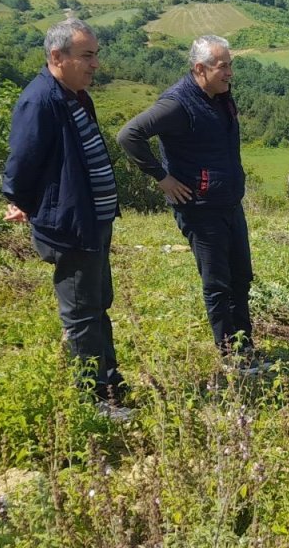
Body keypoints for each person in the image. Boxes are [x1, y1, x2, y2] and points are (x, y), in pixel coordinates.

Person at [2, 18, 131, 419]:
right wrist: (26, 202)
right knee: (81, 314)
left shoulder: (74, 95)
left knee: (98, 305)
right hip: (71, 227)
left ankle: (111, 386)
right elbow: (20, 166)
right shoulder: (39, 101)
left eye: (96, 55)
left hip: (92, 223)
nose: (95, 64)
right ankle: (95, 400)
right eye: (87, 56)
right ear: (57, 57)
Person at [117, 35, 263, 371]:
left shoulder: (219, 97)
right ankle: (231, 356)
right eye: (222, 65)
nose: (230, 72)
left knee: (241, 277)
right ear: (199, 68)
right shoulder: (177, 104)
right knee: (218, 283)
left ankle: (245, 348)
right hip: (200, 208)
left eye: (230, 64)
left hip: (228, 202)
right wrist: (162, 177)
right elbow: (129, 135)